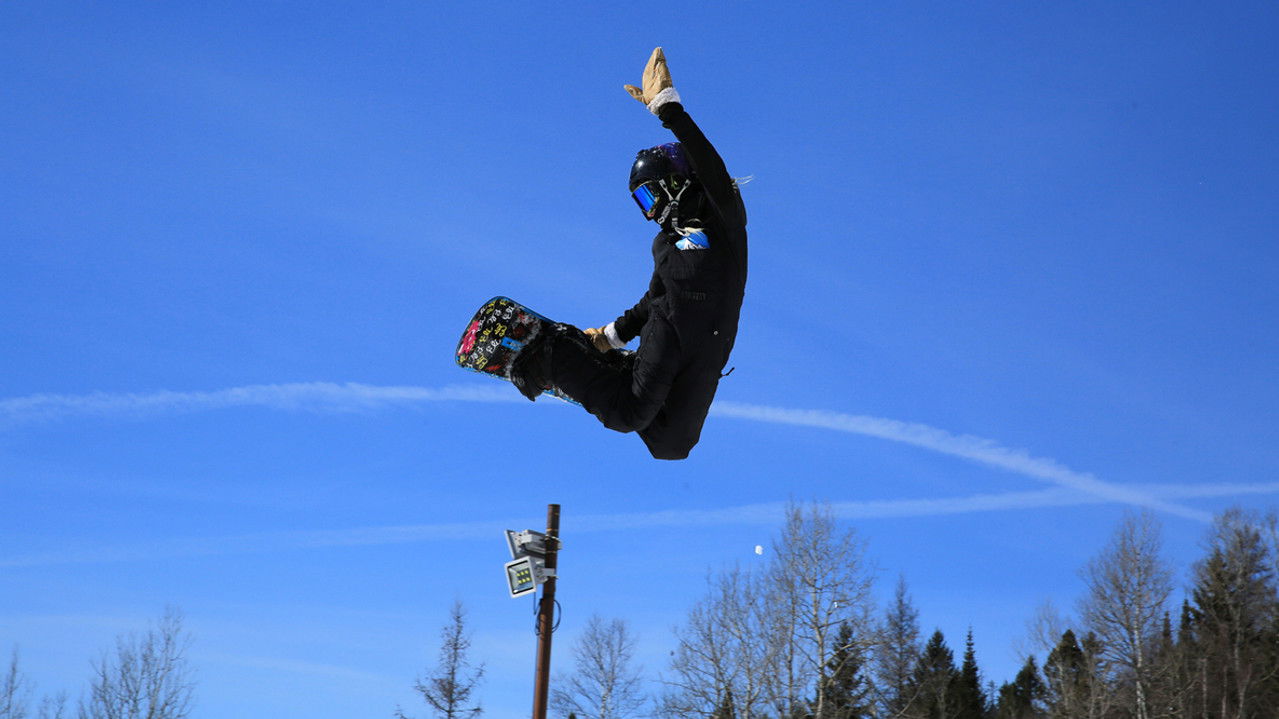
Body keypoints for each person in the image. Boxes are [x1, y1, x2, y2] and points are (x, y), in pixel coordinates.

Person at [511, 47, 748, 460]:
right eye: (642, 202)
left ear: (677, 182)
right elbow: (652, 299)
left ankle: (616, 371)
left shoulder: (721, 220)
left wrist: (667, 108)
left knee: (671, 444)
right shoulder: (666, 244)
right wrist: (610, 336)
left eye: (650, 194)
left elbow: (709, 164)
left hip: (709, 350)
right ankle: (551, 351)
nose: (651, 210)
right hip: (671, 332)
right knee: (627, 414)